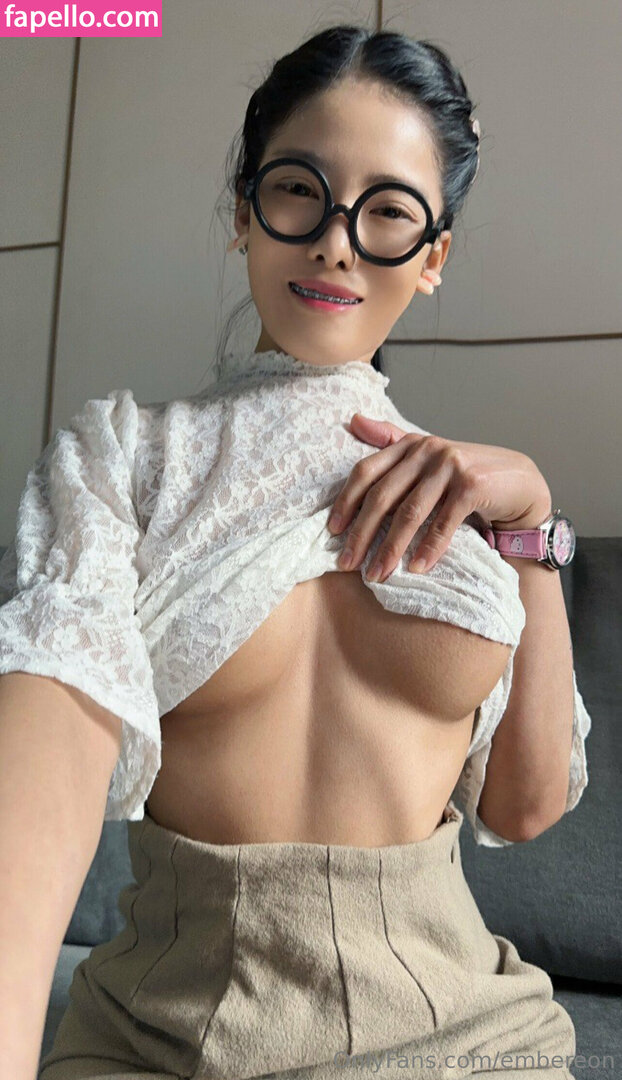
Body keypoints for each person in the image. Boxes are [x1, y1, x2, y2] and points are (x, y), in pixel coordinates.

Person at [0, 24, 591, 1080]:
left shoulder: (478, 504)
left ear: (434, 255)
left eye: (388, 212)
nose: (335, 244)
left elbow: (525, 803)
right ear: (244, 211)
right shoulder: (124, 456)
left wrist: (532, 519)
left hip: (462, 1036)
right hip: (164, 1037)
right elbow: (47, 738)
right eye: (297, 192)